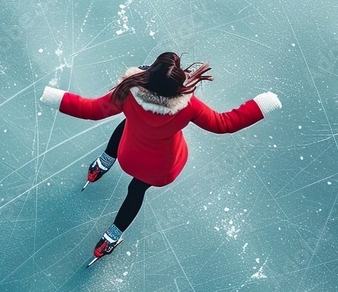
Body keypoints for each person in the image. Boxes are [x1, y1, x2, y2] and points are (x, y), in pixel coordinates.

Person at [39, 52, 282, 266]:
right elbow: (225, 124)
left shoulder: (128, 94)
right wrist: (263, 103)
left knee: (128, 122)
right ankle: (110, 238)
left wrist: (52, 96)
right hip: (161, 169)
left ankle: (103, 163)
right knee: (136, 190)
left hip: (129, 156)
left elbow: (90, 110)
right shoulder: (188, 106)